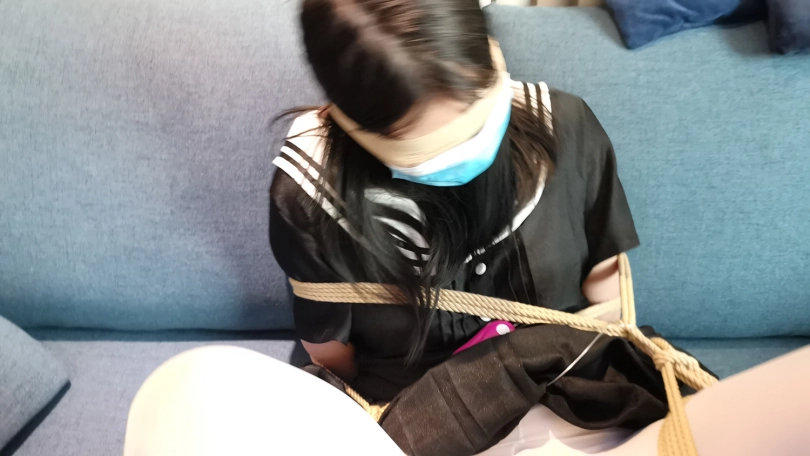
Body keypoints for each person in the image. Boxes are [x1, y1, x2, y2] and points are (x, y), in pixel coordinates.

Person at [123, 1, 810, 455]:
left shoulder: (564, 128)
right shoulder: (312, 197)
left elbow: (607, 292)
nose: (468, 146)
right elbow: (332, 355)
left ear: (491, 53)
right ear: (346, 121)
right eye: (430, 148)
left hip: (568, 386)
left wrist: (600, 372)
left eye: (481, 110)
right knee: (192, 397)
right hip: (412, 416)